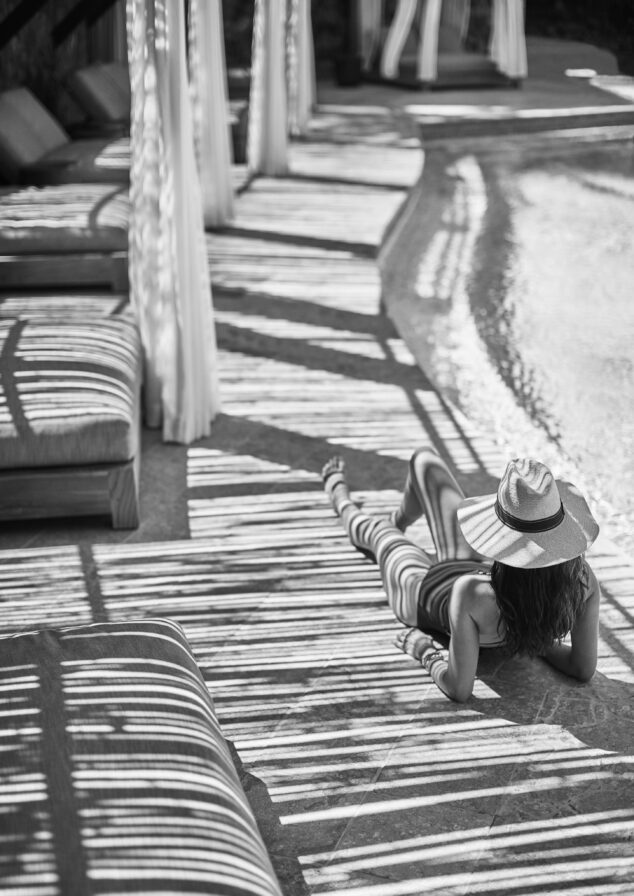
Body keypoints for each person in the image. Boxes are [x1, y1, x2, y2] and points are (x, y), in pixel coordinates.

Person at [322, 448, 601, 702]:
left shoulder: (471, 595)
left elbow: (458, 688)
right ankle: (398, 523)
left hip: (420, 591)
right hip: (474, 567)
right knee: (424, 461)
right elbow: (582, 668)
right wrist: (536, 636)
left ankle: (340, 498)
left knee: (378, 534)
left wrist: (425, 652)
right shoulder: (583, 581)